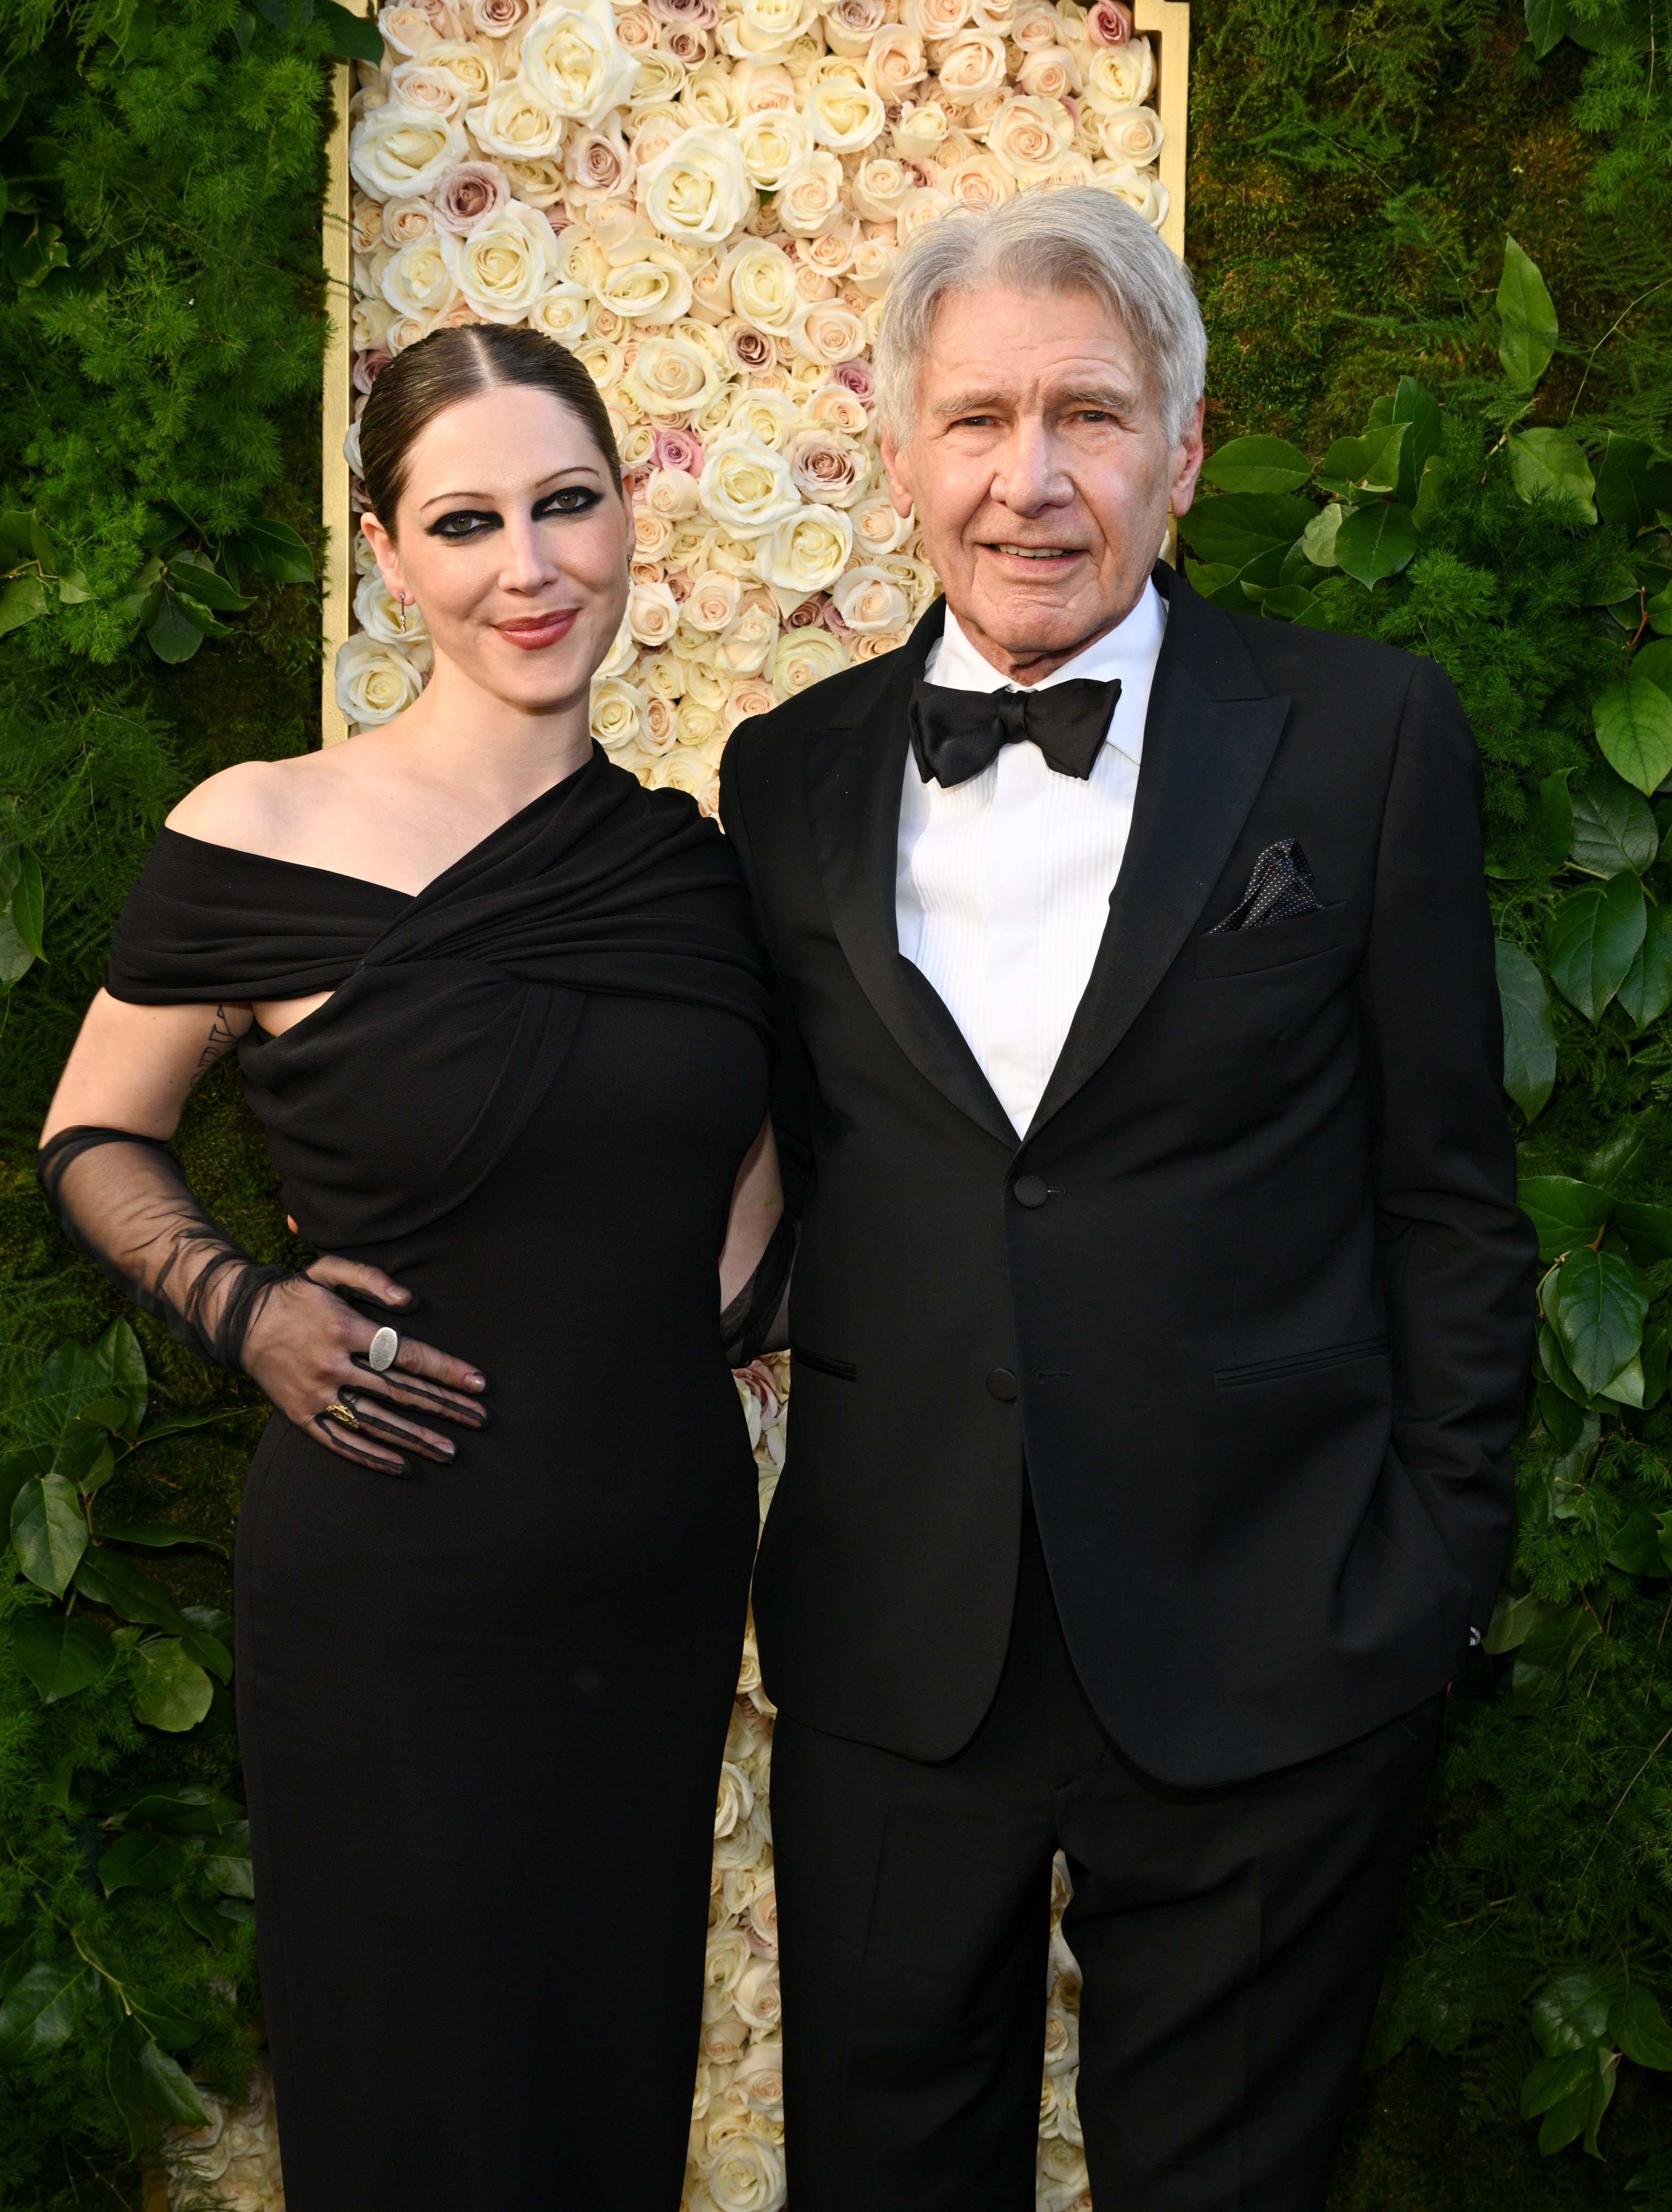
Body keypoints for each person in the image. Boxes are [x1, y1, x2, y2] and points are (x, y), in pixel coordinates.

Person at [721, 188, 1537, 2211]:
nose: (1030, 479)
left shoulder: (1363, 737)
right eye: (978, 418)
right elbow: (792, 1171)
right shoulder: (781, 778)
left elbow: (1448, 1194)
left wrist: (1424, 1575)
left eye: (1087, 414)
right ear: (895, 447)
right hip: (898, 1660)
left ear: (1180, 448)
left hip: (1278, 1646)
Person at [38, 326, 788, 2209]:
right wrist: (249, 1308)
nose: (528, 569)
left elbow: (753, 1192)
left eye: (566, 505)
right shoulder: (254, 830)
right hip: (389, 1573)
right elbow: (91, 1136)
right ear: (385, 552)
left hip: (656, 1569)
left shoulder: (699, 870)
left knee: (603, 2094)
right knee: (411, 2112)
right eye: (466, 522)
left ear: (631, 514)